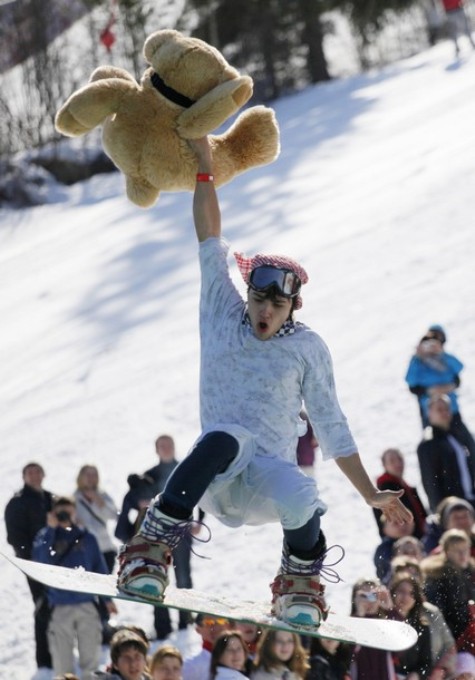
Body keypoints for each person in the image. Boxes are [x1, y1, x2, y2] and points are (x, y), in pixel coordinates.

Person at [116, 136, 411, 629]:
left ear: (293, 308)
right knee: (229, 437)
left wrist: (368, 493)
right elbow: (209, 234)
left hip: (264, 487)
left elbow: (332, 426)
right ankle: (149, 548)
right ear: (248, 293)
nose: (264, 311)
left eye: (277, 306)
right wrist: (205, 165)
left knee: (302, 493)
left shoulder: (306, 348)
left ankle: (297, 582)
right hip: (212, 477)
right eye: (259, 300)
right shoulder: (222, 308)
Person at [116, 434, 195, 638]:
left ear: (174, 446)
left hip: (181, 533)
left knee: (184, 576)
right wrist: (142, 505)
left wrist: (197, 521)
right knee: (154, 575)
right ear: (157, 449)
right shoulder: (149, 476)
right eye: (162, 445)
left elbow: (202, 496)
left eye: (169, 444)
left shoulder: (187, 469)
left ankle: (186, 622)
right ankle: (163, 626)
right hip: (156, 537)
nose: (166, 448)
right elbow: (133, 501)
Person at [33, 495, 117, 680]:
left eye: (68, 511)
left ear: (75, 512)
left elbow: (99, 569)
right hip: (59, 605)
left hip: (86, 603)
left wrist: (107, 600)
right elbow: (40, 563)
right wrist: (51, 530)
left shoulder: (87, 537)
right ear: (53, 513)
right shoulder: (45, 536)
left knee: (91, 659)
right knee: (62, 663)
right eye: (60, 511)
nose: (64, 515)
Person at [4, 461, 54, 670]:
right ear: (24, 477)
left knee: (59, 605)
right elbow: (14, 537)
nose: (34, 476)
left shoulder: (51, 498)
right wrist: (29, 558)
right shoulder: (17, 502)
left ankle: (60, 649)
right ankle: (44, 658)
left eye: (37, 472)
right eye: (29, 473)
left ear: (43, 474)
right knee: (43, 605)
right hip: (34, 564)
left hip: (58, 564)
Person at [405, 326, 474, 453]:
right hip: (431, 415)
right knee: (437, 449)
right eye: (428, 343)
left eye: (436, 342)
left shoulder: (445, 360)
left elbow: (459, 368)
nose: (431, 346)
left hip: (452, 412)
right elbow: (410, 381)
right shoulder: (419, 363)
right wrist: (416, 357)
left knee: (468, 445)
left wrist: (442, 353)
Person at [417, 395, 475, 513]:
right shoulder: (428, 444)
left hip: (471, 501)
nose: (444, 412)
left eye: (446, 409)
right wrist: (441, 511)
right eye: (439, 409)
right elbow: (430, 482)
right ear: (429, 413)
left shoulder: (458, 436)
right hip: (453, 508)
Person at [421, 529, 475, 654]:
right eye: (457, 550)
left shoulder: (470, 572)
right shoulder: (437, 577)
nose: (462, 555)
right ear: (446, 552)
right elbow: (440, 615)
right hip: (454, 642)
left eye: (465, 549)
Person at [373, 448, 427, 539]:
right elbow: (391, 524)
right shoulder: (384, 490)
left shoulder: (408, 488)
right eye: (392, 460)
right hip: (404, 543)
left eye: (400, 459)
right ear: (384, 465)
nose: (398, 463)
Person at [74, 464, 118, 574]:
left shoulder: (103, 495)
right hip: (84, 548)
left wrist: (100, 502)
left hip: (105, 547)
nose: (91, 478)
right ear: (81, 477)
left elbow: (114, 515)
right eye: (87, 474)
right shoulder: (74, 498)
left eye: (94, 475)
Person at [348, 577, 395, 680]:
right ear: (355, 599)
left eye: (373, 595)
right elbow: (348, 654)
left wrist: (390, 609)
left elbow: (401, 647)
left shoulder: (386, 625)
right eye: (363, 596)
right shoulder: (350, 625)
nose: (368, 600)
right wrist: (359, 616)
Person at [389, 573, 433, 679]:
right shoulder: (382, 620)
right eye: (401, 591)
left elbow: (426, 663)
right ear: (393, 592)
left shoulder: (422, 628)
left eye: (411, 594)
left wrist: (417, 674)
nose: (405, 597)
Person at [182, 614, 232, 680]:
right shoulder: (192, 665)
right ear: (198, 630)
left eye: (220, 621)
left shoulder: (241, 659)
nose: (215, 627)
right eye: (208, 622)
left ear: (228, 625)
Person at [296, 410, 318, 476]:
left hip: (305, 462)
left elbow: (315, 442)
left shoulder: (309, 427)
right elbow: (315, 443)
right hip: (303, 461)